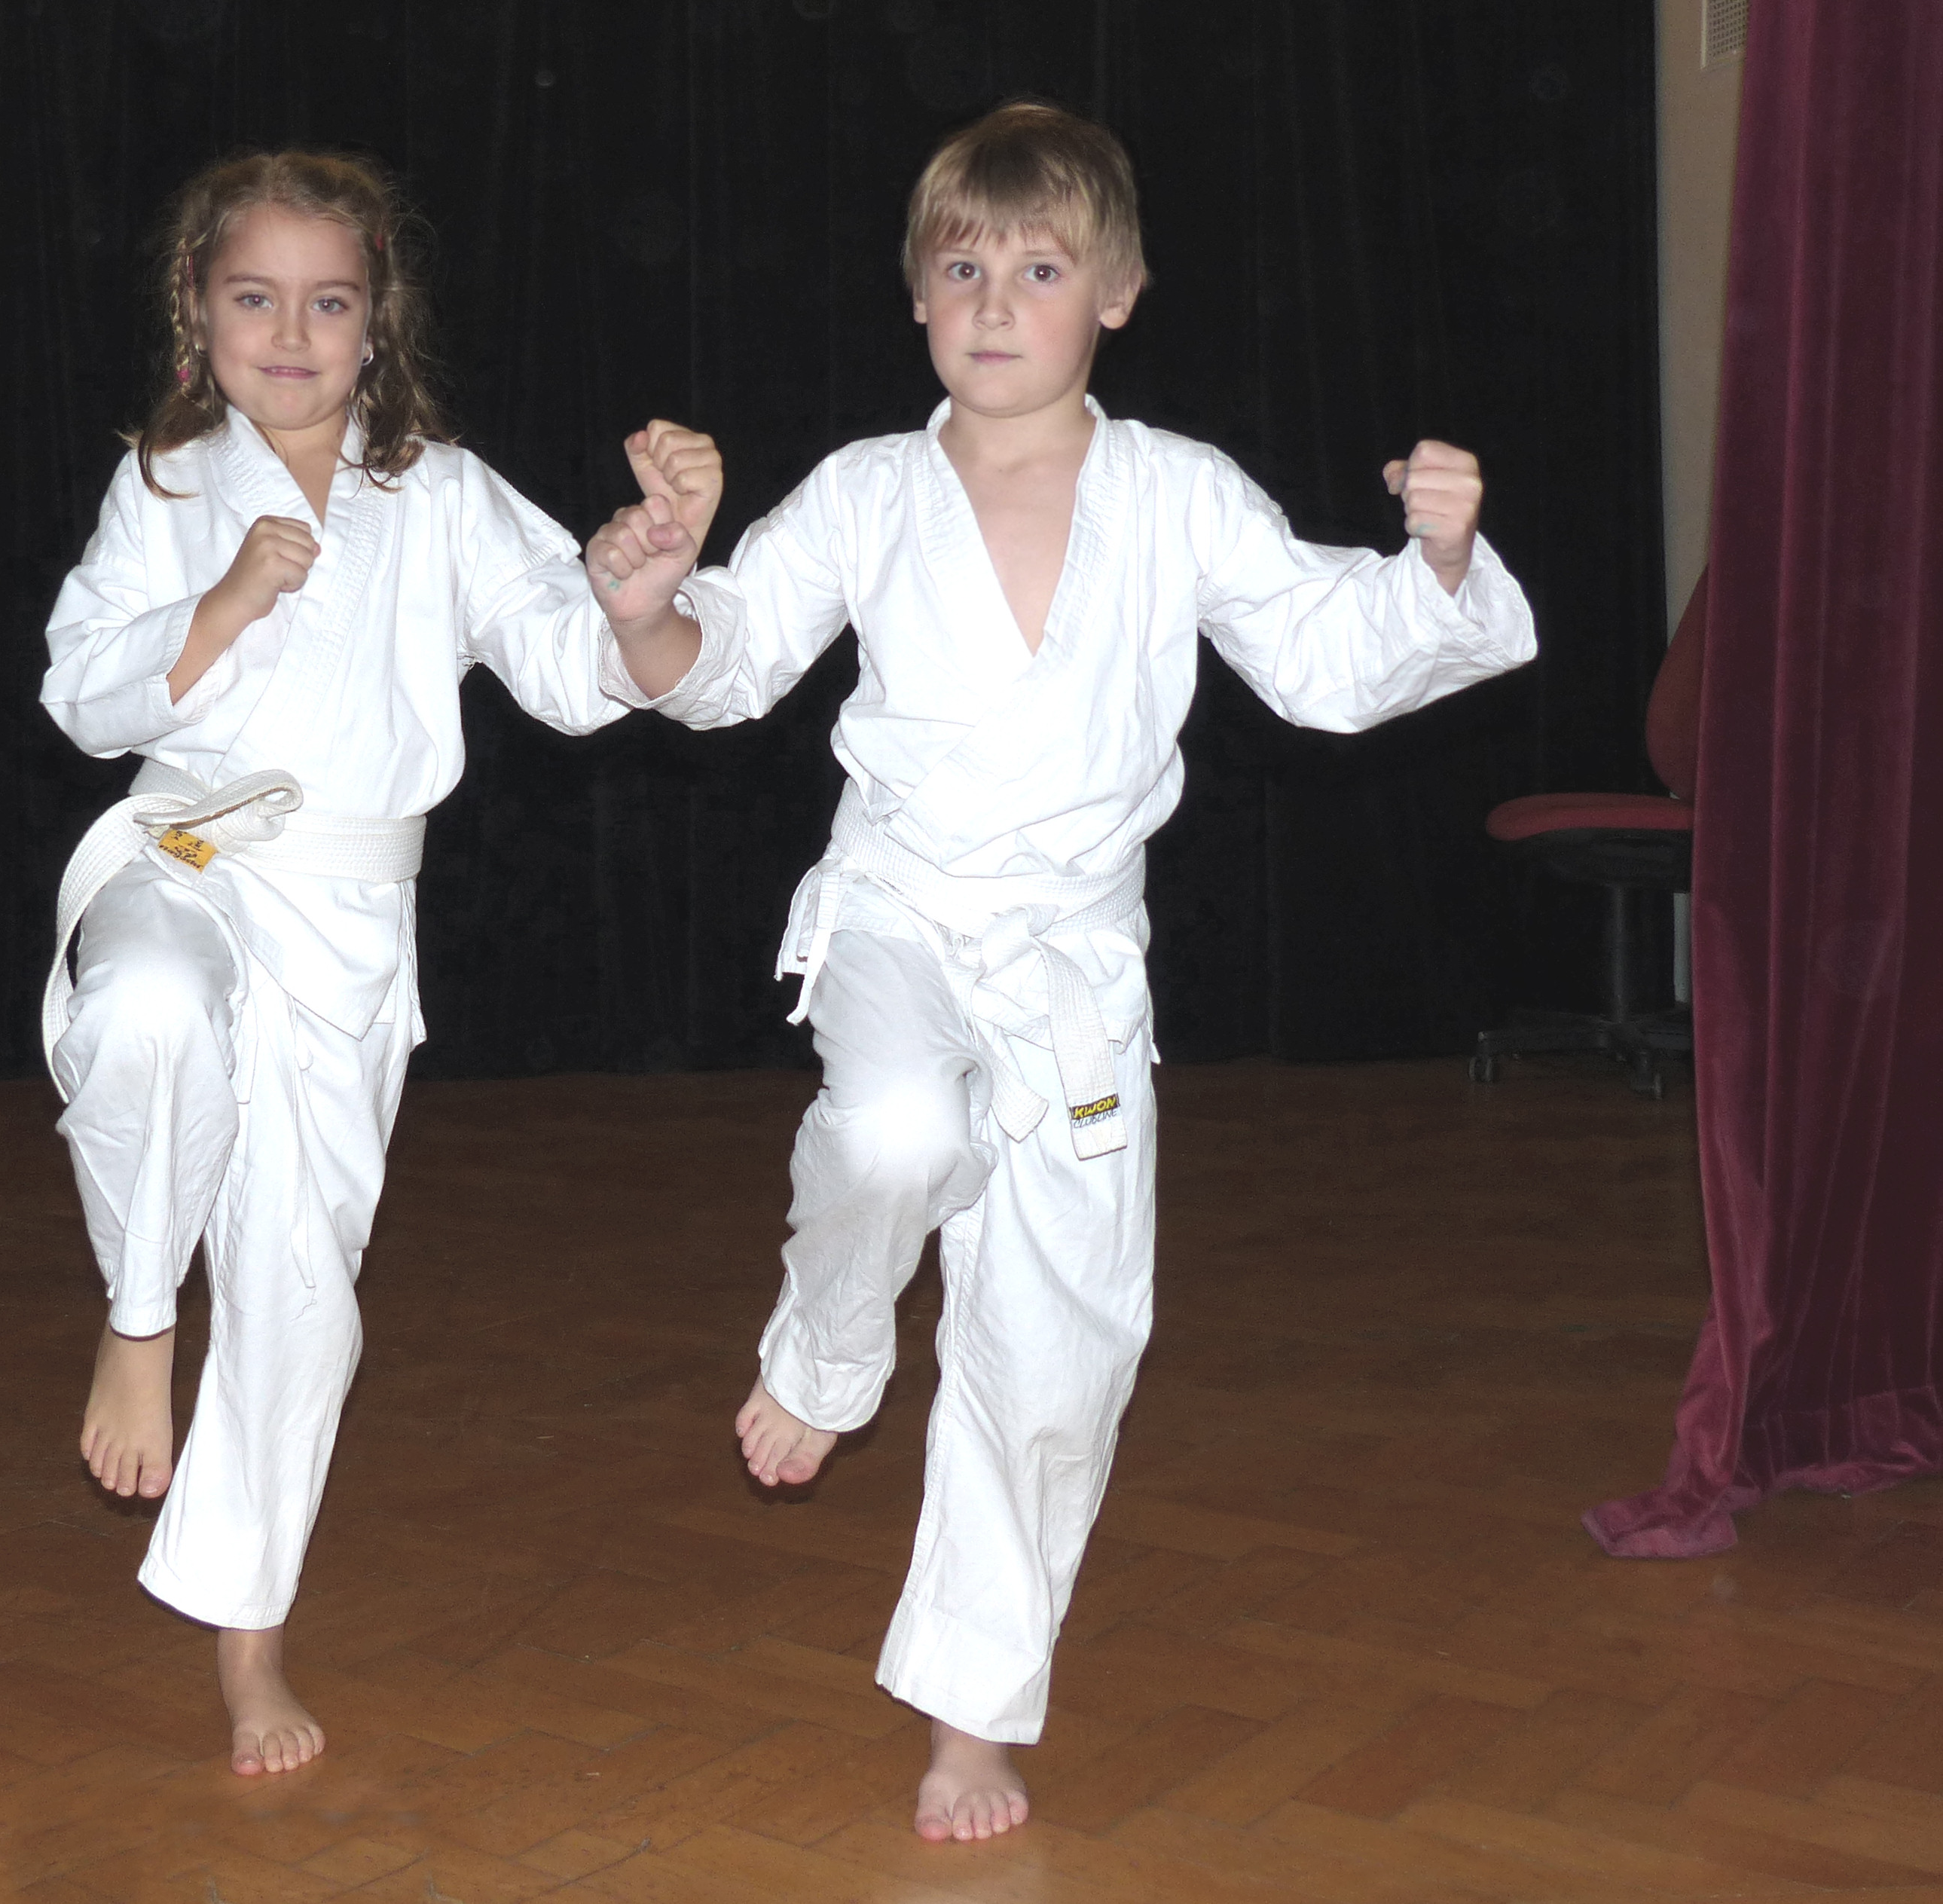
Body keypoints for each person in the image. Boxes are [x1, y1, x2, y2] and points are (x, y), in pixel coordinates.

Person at [584, 101, 1535, 1844]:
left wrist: (1444, 563)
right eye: (962, 269)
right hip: (899, 909)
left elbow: (1330, 658)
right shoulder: (870, 491)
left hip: (1077, 960)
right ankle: (826, 1345)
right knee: (893, 1129)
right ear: (915, 296)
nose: (996, 303)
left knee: (1056, 1346)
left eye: (1039, 270)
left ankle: (970, 1715)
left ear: (1118, 291)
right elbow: (725, 660)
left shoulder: (1177, 492)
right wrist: (651, 596)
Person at [41, 148, 719, 1777]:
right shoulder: (166, 483)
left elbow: (569, 661)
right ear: (197, 311)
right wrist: (217, 607)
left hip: (346, 919)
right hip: (185, 856)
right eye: (254, 297)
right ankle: (138, 1317)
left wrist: (643, 575)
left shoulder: (442, 493)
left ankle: (249, 1640)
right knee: (144, 1004)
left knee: (297, 1294)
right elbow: (78, 692)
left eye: (328, 302)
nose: (291, 333)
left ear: (376, 319)